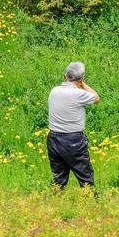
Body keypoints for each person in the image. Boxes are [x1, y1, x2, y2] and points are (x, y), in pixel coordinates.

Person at [47, 62, 100, 190]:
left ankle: (54, 203)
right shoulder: (78, 94)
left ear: (65, 76)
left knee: (58, 179)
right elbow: (96, 98)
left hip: (53, 139)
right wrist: (82, 84)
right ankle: (92, 204)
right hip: (73, 141)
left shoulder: (54, 91)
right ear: (81, 78)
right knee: (85, 177)